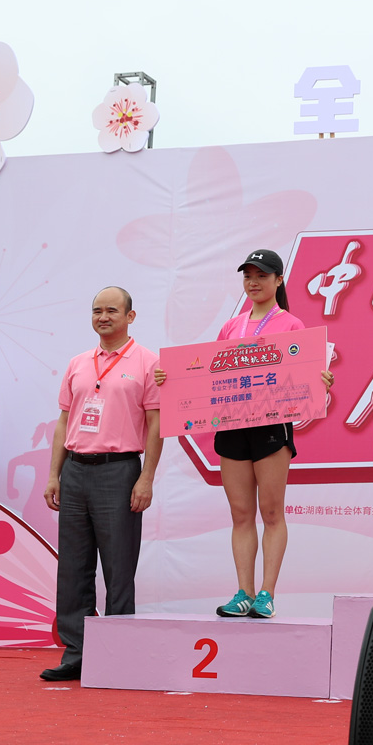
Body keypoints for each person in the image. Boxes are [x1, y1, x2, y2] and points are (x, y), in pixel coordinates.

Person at [156, 249, 333, 619]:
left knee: (271, 511)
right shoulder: (231, 327)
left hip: (270, 426)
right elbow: (209, 376)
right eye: (248, 276)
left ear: (279, 280)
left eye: (262, 275)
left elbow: (306, 375)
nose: (254, 282)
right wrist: (170, 378)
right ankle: (243, 593)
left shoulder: (292, 325)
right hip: (232, 426)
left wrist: (321, 380)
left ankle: (267, 593)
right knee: (240, 513)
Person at [41, 286, 162, 681]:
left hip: (119, 470)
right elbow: (64, 421)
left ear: (130, 316)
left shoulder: (148, 363)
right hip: (75, 470)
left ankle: (118, 657)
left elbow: (157, 425)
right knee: (73, 567)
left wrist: (146, 477)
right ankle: (76, 654)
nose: (103, 317)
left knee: (118, 566)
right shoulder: (78, 363)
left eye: (112, 310)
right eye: (97, 311)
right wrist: (54, 473)